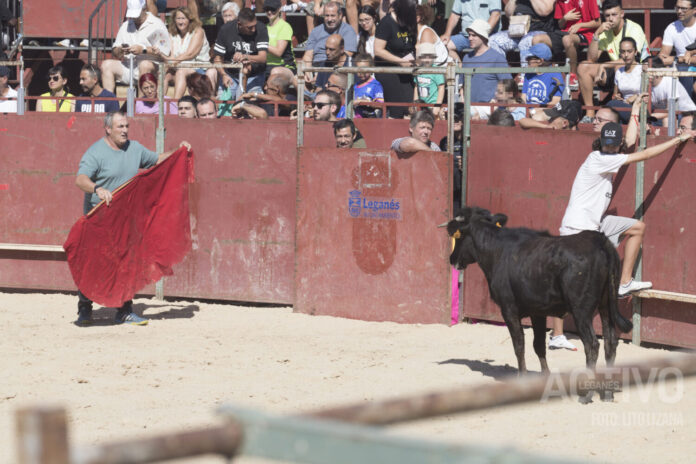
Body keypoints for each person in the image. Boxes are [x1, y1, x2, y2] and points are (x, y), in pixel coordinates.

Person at [74, 111, 191, 326]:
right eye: (120, 127)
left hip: (126, 220)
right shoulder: (96, 152)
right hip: (99, 219)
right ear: (108, 129)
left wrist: (179, 151)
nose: (125, 130)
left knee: (126, 263)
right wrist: (97, 189)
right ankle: (85, 309)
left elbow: (157, 160)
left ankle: (124, 311)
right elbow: (80, 179)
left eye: (126, 126)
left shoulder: (134, 148)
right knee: (92, 264)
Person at [560, 122, 694, 301]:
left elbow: (630, 140)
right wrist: (678, 139)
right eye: (606, 143)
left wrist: (635, 110)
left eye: (613, 143)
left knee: (638, 227)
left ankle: (624, 283)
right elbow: (644, 154)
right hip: (576, 229)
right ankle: (559, 330)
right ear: (601, 141)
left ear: (618, 143)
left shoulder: (608, 157)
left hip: (595, 225)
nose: (609, 147)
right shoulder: (599, 158)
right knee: (569, 286)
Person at [577, 0, 648, 119]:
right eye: (607, 15)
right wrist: (596, 34)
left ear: (622, 14)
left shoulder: (634, 28)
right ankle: (590, 113)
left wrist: (603, 65)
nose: (610, 19)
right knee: (583, 66)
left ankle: (619, 106)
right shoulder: (605, 31)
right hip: (616, 72)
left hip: (635, 72)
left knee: (618, 66)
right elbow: (591, 58)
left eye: (614, 15)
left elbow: (631, 59)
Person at [101, 0, 172, 93]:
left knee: (144, 64)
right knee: (106, 65)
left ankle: (140, 104)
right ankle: (110, 104)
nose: (135, 17)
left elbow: (165, 52)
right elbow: (115, 50)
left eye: (137, 14)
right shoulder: (126, 25)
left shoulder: (157, 24)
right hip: (129, 65)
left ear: (144, 8)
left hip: (152, 67)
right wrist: (120, 50)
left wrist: (143, 50)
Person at [211, 8, 269, 100]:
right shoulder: (226, 30)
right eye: (249, 27)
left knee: (250, 105)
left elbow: (263, 58)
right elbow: (217, 58)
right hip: (231, 74)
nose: (254, 29)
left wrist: (245, 56)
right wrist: (223, 75)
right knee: (223, 103)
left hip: (254, 75)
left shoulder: (261, 28)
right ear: (239, 24)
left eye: (255, 25)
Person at [460, 19, 511, 119]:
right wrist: (463, 101)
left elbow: (507, 85)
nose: (470, 38)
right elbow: (462, 86)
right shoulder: (466, 58)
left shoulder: (497, 58)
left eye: (474, 35)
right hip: (469, 106)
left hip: (489, 108)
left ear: (483, 36)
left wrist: (496, 103)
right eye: (469, 35)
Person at [374, 0, 417, 118]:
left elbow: (413, 44)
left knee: (410, 107)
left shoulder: (409, 22)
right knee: (396, 109)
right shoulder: (387, 23)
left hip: (406, 69)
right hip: (388, 70)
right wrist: (400, 61)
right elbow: (378, 50)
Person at [488, 0, 564, 67]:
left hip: (538, 30)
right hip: (516, 31)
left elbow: (545, 11)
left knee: (525, 42)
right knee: (493, 41)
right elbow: (508, 14)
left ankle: (526, 76)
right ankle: (501, 75)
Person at [161, 6, 211, 100]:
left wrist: (171, 61)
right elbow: (171, 55)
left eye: (183, 18)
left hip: (197, 67)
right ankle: (158, 105)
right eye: (178, 18)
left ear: (189, 19)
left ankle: (176, 103)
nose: (180, 21)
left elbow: (190, 54)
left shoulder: (198, 31)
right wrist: (166, 62)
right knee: (163, 74)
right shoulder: (171, 33)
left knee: (181, 72)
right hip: (178, 66)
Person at [555, 0, 601, 87]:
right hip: (565, 33)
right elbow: (560, 25)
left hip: (585, 34)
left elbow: (598, 22)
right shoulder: (560, 1)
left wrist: (580, 25)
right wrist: (564, 18)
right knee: (542, 39)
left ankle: (573, 75)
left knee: (567, 40)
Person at [303, 2, 358, 71]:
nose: (329, 19)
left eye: (332, 15)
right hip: (315, 67)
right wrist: (308, 71)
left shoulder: (348, 30)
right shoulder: (315, 31)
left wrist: (324, 72)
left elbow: (348, 54)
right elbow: (308, 55)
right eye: (327, 16)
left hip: (335, 68)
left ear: (340, 15)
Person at [658, 0, 696, 98]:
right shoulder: (672, 28)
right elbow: (662, 58)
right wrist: (681, 59)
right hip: (680, 68)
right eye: (677, 8)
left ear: (694, 10)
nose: (679, 11)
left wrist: (685, 59)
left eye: (683, 8)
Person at [649, 57, 696, 128]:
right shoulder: (645, 84)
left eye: (646, 71)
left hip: (687, 115)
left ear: (656, 72)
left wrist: (649, 116)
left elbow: (671, 110)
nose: (643, 74)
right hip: (663, 115)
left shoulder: (669, 81)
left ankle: (667, 138)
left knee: (667, 119)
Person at [606, 37, 643, 124]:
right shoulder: (619, 71)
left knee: (611, 106)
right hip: (623, 107)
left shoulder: (642, 69)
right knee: (615, 112)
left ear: (635, 52)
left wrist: (636, 97)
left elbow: (649, 93)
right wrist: (617, 97)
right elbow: (615, 95)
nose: (626, 55)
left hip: (638, 107)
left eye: (629, 51)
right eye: (623, 52)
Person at [264, 0, 296, 77]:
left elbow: (279, 52)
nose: (269, 12)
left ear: (279, 9)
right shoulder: (265, 27)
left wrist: (262, 44)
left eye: (273, 9)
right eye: (267, 9)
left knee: (274, 73)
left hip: (285, 66)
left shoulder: (284, 26)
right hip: (267, 66)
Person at [413, 43, 445, 118]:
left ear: (434, 57)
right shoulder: (418, 70)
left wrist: (437, 105)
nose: (427, 60)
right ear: (420, 57)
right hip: (421, 105)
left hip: (433, 105)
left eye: (430, 57)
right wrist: (415, 103)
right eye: (424, 57)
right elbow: (416, 86)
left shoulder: (436, 70)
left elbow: (441, 87)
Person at [353, 53, 384, 118]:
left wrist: (364, 102)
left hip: (370, 120)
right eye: (358, 70)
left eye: (364, 69)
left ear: (371, 68)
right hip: (356, 120)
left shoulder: (375, 85)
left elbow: (380, 104)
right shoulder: (355, 86)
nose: (361, 72)